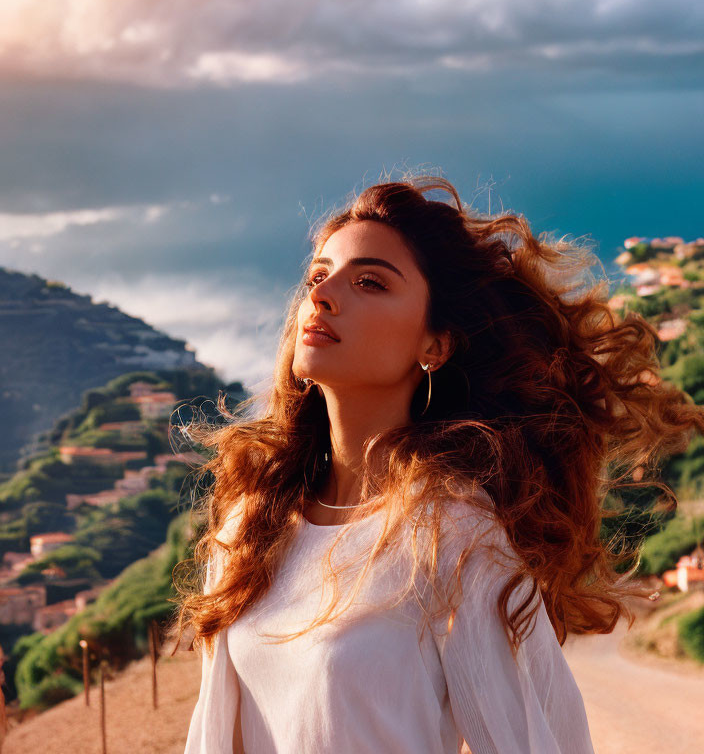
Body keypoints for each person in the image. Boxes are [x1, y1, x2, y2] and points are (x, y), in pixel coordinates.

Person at [170, 173, 704, 753]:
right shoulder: (251, 525)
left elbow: (534, 738)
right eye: (317, 275)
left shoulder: (451, 534)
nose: (321, 295)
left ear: (435, 345)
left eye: (369, 282)